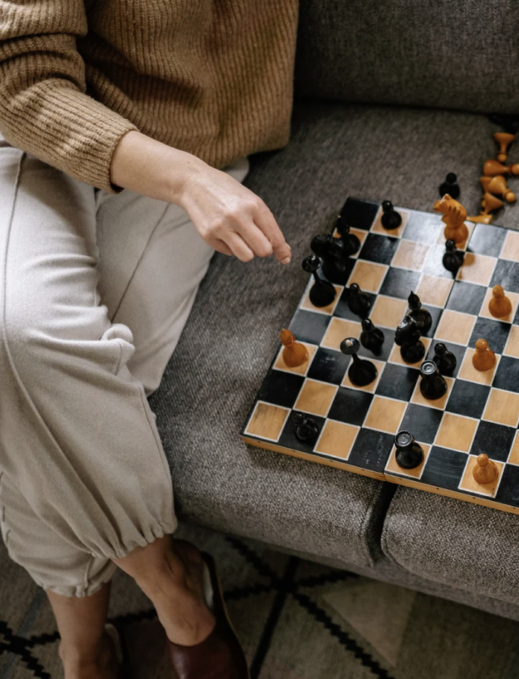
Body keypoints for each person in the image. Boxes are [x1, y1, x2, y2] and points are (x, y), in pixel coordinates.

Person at [0, 1, 299, 677]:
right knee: (15, 333)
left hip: (179, 137)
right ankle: (170, 585)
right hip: (30, 132)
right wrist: (190, 180)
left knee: (56, 385)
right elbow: (17, 79)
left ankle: (83, 648)